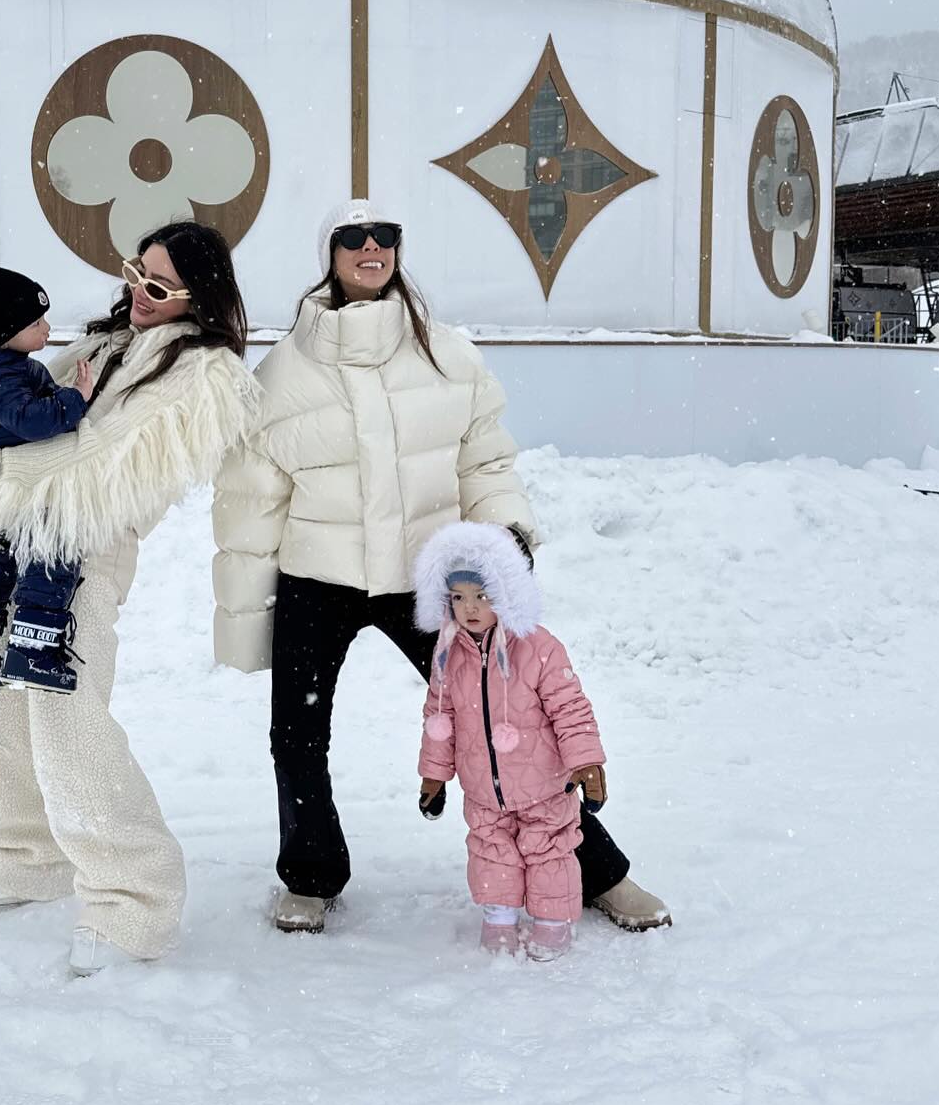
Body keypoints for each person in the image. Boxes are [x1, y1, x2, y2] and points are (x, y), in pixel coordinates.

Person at [213, 199, 670, 935]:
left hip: (433, 584)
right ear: (327, 253)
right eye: (353, 239)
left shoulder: (447, 354)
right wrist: (245, 614)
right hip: (316, 580)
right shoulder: (283, 373)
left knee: (515, 717)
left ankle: (597, 871)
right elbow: (251, 504)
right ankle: (310, 875)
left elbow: (483, 458)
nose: (372, 249)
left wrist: (506, 533)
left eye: (385, 237)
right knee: (296, 737)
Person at [0, 222, 260, 974]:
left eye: (157, 287)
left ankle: (136, 896)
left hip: (83, 550)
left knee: (67, 717)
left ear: (197, 297)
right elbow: (19, 413)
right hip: (22, 536)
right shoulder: (104, 342)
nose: (137, 293)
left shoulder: (202, 371)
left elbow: (97, 460)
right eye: (134, 273)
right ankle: (30, 851)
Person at [414, 522, 610, 961]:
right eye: (459, 597)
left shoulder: (540, 648)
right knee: (491, 851)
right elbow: (438, 716)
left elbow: (570, 708)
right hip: (483, 789)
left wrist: (586, 763)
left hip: (543, 785)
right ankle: (499, 918)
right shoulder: (448, 653)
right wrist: (433, 776)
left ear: (508, 592)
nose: (470, 608)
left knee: (550, 850)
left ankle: (552, 923)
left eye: (482, 596)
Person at [0, 257, 97, 692]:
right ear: (4, 331)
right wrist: (76, 399)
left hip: (4, 481)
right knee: (53, 550)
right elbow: (30, 421)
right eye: (36, 322)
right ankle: (34, 650)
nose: (46, 329)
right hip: (21, 483)